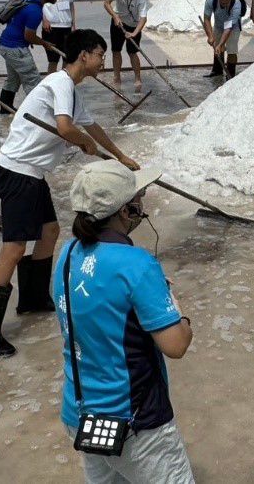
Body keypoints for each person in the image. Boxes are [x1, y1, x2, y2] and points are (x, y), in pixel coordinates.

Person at [0, 30, 141, 357]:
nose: (103, 60)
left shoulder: (72, 92)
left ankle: (32, 300)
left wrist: (120, 157)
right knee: (14, 247)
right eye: (100, 54)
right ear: (83, 56)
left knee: (49, 231)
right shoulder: (60, 83)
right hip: (16, 170)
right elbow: (65, 127)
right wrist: (82, 143)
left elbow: (92, 128)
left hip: (31, 173)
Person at [55, 162, 195, 483]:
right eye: (139, 197)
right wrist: (175, 308)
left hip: (80, 414)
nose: (142, 204)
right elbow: (176, 345)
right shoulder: (137, 264)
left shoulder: (67, 255)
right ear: (125, 210)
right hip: (135, 422)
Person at [0, 0, 63, 113]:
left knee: (13, 79)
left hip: (5, 44)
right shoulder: (36, 12)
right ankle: (39, 114)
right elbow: (29, 36)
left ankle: (5, 111)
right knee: (33, 82)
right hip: (16, 49)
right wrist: (44, 43)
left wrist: (11, 9)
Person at [104, 0, 149, 93]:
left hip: (134, 26)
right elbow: (107, 3)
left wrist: (134, 33)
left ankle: (138, 78)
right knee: (116, 50)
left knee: (132, 52)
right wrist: (115, 16)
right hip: (117, 22)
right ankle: (116, 76)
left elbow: (143, 18)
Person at [202, 0, 247, 82]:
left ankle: (230, 75)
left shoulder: (236, 4)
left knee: (231, 50)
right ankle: (217, 70)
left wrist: (221, 44)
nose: (224, 2)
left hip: (233, 27)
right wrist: (210, 36)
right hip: (218, 26)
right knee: (217, 48)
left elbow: (228, 28)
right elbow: (207, 19)